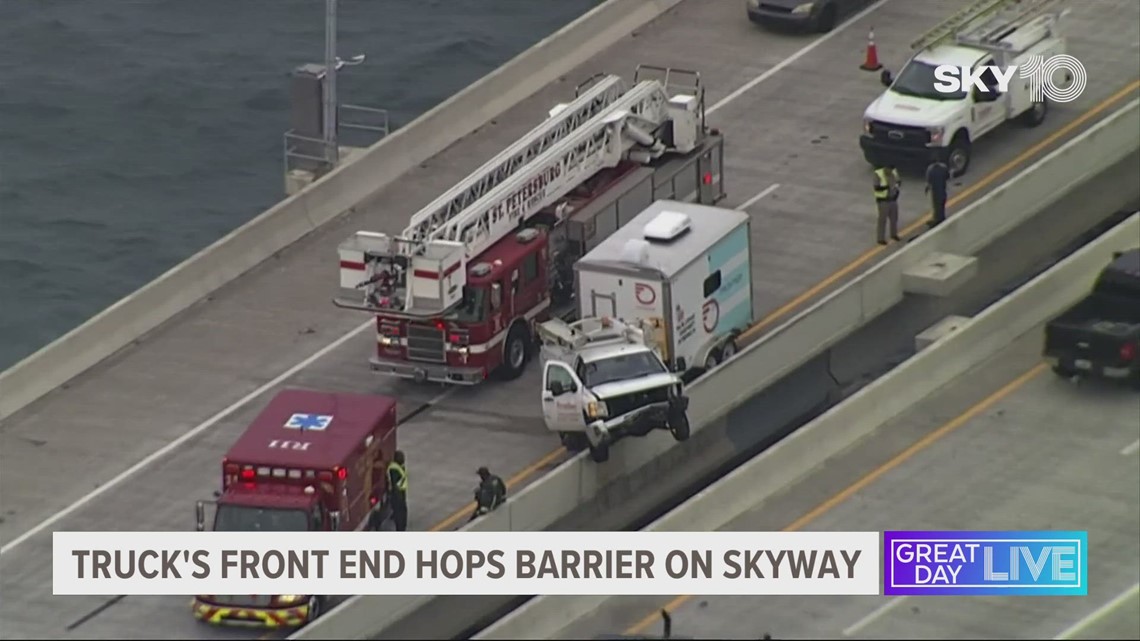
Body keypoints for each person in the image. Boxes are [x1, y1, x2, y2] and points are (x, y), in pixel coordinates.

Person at [872, 163, 902, 245]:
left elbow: (899, 181)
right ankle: (880, 238)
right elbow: (876, 187)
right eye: (889, 170)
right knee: (882, 220)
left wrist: (896, 189)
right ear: (886, 168)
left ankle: (894, 234)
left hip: (893, 199)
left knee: (894, 218)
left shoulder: (894, 172)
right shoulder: (878, 174)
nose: (891, 172)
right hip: (883, 201)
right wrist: (887, 187)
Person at [925, 159, 950, 228]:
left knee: (936, 205)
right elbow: (947, 176)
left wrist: (927, 189)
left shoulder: (930, 169)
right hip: (942, 189)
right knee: (941, 204)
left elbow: (928, 181)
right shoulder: (943, 167)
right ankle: (940, 217)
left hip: (935, 191)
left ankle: (938, 220)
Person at [387, 450, 409, 531]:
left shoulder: (399, 467)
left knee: (403, 513)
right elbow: (395, 483)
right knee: (400, 514)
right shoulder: (394, 469)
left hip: (401, 493)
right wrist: (398, 496)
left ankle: (402, 528)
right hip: (397, 494)